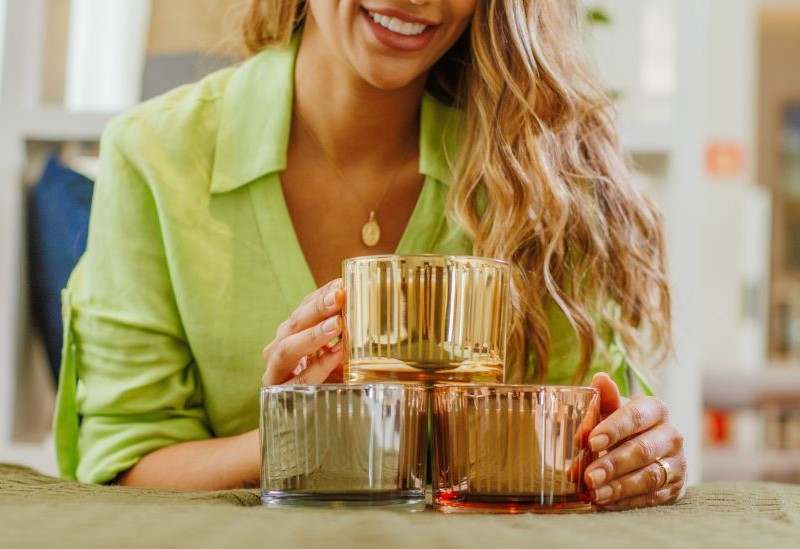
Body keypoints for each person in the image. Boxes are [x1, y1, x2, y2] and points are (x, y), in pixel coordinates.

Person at [54, 0, 686, 510]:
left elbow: (570, 446)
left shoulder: (538, 179)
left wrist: (628, 453)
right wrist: (292, 434)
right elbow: (127, 465)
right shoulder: (154, 155)